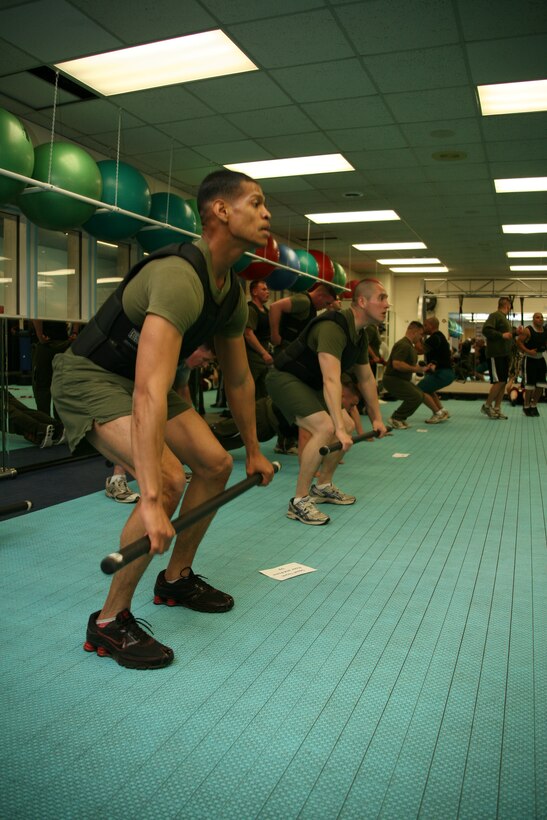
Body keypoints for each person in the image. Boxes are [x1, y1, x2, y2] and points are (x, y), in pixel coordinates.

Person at [51, 169, 275, 670]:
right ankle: (110, 621)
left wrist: (255, 453)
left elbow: (238, 381)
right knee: (171, 477)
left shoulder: (232, 291)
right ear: (221, 211)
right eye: (256, 203)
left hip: (139, 380)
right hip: (92, 376)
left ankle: (175, 578)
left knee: (216, 464)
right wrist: (151, 500)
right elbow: (151, 390)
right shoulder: (179, 276)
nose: (267, 214)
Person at [266, 278, 389, 526]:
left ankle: (322, 487)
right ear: (362, 301)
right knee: (326, 427)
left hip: (310, 382)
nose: (387, 304)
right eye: (382, 298)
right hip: (285, 377)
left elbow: (366, 378)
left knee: (347, 423)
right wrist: (338, 429)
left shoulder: (361, 334)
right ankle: (299, 501)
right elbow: (332, 380)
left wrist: (376, 417)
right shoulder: (334, 327)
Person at [268, 281, 337, 454]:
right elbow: (275, 307)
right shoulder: (304, 301)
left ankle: (289, 439)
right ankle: (285, 440)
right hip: (285, 354)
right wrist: (275, 335)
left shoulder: (311, 308)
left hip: (293, 357)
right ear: (320, 295)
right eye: (326, 303)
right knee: (286, 402)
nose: (325, 307)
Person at [382, 321, 432, 429]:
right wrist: (415, 369)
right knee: (416, 396)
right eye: (420, 334)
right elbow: (397, 364)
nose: (420, 337)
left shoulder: (409, 345)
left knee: (420, 394)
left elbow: (407, 363)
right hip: (393, 379)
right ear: (414, 332)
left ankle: (400, 418)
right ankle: (396, 418)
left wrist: (422, 368)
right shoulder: (403, 345)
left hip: (401, 380)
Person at [481, 297, 516, 419]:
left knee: (503, 382)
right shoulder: (495, 315)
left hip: (504, 354)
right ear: (507, 305)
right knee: (499, 381)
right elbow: (486, 330)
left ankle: (497, 408)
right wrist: (501, 335)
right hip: (496, 355)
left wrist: (515, 333)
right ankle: (487, 405)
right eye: (510, 305)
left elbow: (507, 336)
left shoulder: (504, 319)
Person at [417, 316, 455, 423]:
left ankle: (437, 413)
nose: (423, 328)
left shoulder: (434, 338)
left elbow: (419, 350)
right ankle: (442, 411)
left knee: (419, 389)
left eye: (425, 325)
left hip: (443, 373)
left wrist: (418, 337)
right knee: (429, 389)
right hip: (446, 373)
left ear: (431, 326)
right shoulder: (440, 336)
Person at [244, 279, 273, 399]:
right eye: (264, 289)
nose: (268, 292)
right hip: (253, 355)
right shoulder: (251, 309)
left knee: (263, 391)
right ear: (254, 292)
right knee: (249, 390)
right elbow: (248, 334)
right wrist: (264, 353)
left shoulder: (266, 311)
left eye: (267, 289)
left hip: (264, 354)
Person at [516, 312, 546, 416]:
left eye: (541, 317)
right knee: (530, 385)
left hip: (541, 359)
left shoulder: (545, 330)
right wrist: (528, 351)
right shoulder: (528, 330)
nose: (540, 319)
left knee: (541, 385)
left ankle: (534, 405)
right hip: (529, 360)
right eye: (537, 317)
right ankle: (526, 405)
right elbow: (519, 342)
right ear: (533, 319)